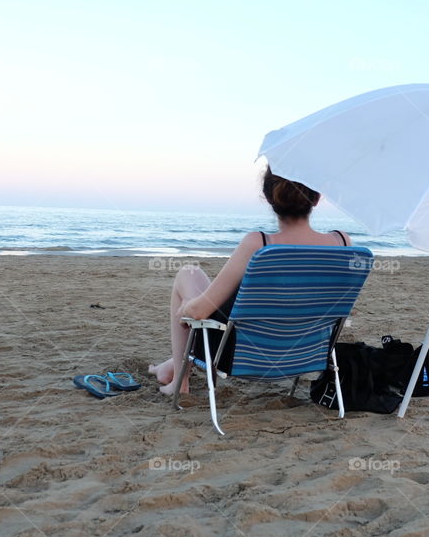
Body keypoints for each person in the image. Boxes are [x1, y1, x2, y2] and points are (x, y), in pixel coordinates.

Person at [149, 167, 351, 400]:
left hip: (243, 357)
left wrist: (186, 309)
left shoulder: (259, 244)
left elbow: (200, 311)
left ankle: (179, 382)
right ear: (317, 198)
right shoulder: (342, 242)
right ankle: (172, 365)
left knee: (189, 273)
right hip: (306, 353)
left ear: (268, 198)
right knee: (211, 296)